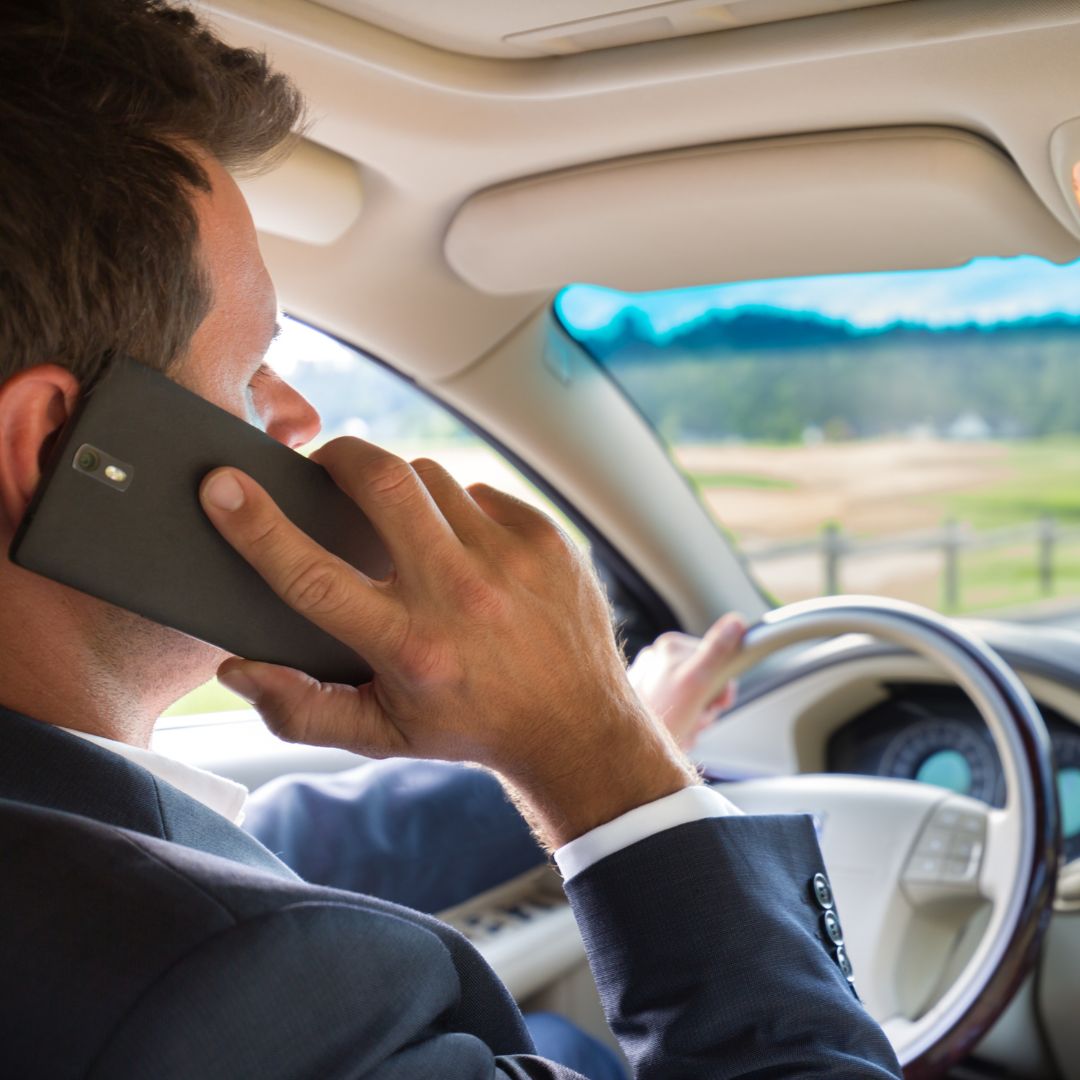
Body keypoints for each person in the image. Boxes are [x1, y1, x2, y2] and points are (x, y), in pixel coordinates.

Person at [0, 2, 903, 1077]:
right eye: (247, 376)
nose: (291, 420)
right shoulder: (212, 984)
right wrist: (605, 764)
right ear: (56, 443)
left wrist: (578, 731)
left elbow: (282, 837)